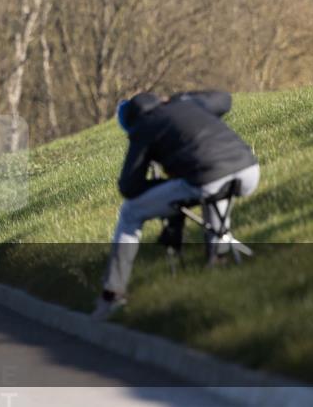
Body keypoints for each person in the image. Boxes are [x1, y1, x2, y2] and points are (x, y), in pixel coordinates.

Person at [93, 90, 260, 319]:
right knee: (212, 188)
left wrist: (162, 184)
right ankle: (218, 259)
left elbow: (128, 187)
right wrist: (184, 98)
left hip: (208, 177)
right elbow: (224, 98)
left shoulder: (143, 127)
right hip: (249, 170)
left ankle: (112, 294)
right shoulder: (188, 103)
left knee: (130, 212)